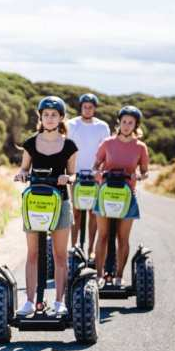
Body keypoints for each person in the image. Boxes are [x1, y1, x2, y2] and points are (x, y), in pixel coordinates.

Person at [13, 96, 78, 317]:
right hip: (35, 202)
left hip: (60, 202)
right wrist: (22, 174)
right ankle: (30, 301)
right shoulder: (31, 143)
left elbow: (73, 174)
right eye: (46, 114)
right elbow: (24, 168)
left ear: (61, 118)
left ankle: (59, 301)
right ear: (40, 117)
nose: (50, 118)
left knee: (59, 255)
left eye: (54, 115)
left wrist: (68, 179)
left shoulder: (69, 146)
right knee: (32, 253)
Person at [93, 105, 150, 287]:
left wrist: (138, 176)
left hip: (127, 196)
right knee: (102, 235)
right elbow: (95, 166)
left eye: (130, 123)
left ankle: (119, 276)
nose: (126, 125)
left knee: (122, 237)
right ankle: (99, 275)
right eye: (124, 121)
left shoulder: (140, 147)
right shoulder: (107, 143)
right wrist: (97, 173)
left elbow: (145, 172)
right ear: (119, 122)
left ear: (135, 125)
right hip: (106, 194)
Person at [67, 93, 111, 253]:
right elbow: (66, 148)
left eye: (90, 107)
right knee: (76, 212)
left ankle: (91, 250)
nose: (87, 109)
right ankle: (74, 248)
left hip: (95, 176)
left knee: (93, 213)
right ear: (81, 107)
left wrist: (101, 171)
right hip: (76, 175)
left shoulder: (102, 127)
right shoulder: (71, 124)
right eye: (84, 107)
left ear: (94, 108)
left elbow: (106, 152)